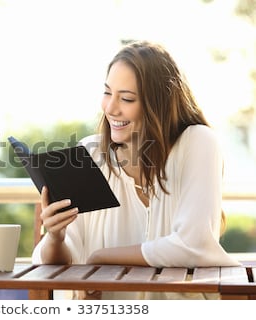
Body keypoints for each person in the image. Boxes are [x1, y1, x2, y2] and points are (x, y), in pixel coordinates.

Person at [31, 40, 240, 299]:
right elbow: (59, 262)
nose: (111, 108)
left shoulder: (197, 143)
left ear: (158, 105)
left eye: (127, 98)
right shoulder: (91, 154)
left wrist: (101, 257)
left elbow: (194, 244)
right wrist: (55, 236)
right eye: (107, 93)